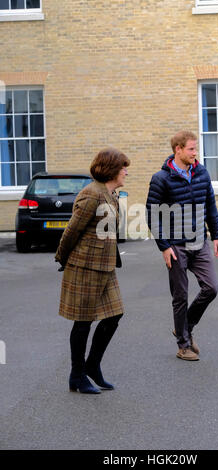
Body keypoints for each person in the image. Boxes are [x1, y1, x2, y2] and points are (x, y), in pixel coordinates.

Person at [55, 148, 130, 393]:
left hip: (105, 267)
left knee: (114, 315)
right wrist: (62, 257)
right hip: (85, 266)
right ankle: (77, 376)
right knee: (83, 322)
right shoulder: (91, 194)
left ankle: (92, 366)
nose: (126, 171)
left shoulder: (110, 194)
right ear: (111, 169)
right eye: (123, 167)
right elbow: (72, 230)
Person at [146, 131, 218, 361]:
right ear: (177, 150)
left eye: (195, 148)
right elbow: (152, 214)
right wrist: (164, 246)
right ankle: (184, 345)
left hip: (199, 241)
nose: (194, 153)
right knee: (180, 296)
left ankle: (185, 327)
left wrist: (217, 235)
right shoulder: (161, 178)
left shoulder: (201, 172)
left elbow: (210, 204)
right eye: (191, 149)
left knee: (211, 288)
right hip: (176, 245)